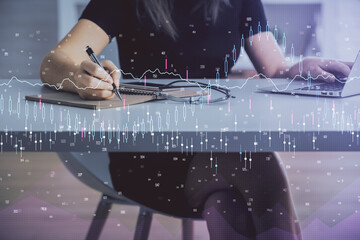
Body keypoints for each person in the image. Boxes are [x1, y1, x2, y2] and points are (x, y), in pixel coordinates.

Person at [40, 0, 353, 239]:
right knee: (255, 164)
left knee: (225, 204)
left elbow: (274, 69)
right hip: (148, 155)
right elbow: (55, 62)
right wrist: (80, 78)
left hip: (215, 153)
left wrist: (301, 68)